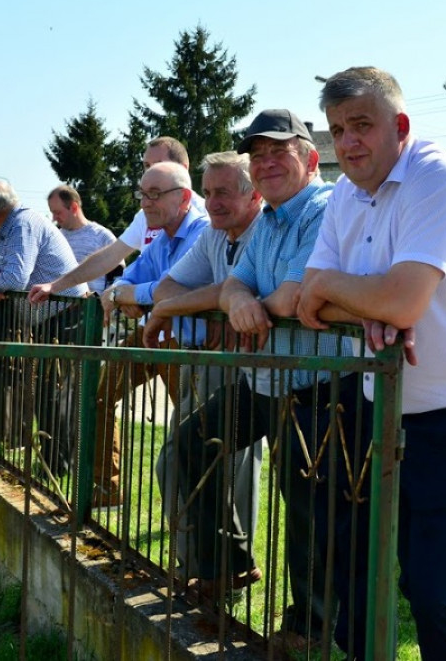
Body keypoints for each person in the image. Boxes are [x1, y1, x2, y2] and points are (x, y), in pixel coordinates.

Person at [298, 67, 446, 661]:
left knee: (436, 592)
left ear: (400, 126)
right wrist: (366, 302)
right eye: (338, 130)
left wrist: (366, 298)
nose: (347, 143)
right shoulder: (346, 191)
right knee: (361, 575)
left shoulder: (434, 178)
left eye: (361, 126)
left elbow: (395, 299)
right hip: (383, 409)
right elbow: (305, 294)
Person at [202, 108, 346, 647]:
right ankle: (221, 565)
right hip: (267, 380)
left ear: (310, 158)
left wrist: (250, 303)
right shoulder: (268, 220)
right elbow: (232, 287)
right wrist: (240, 299)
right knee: (196, 443)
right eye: (257, 155)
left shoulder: (325, 207)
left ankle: (311, 627)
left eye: (277, 152)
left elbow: (295, 295)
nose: (265, 164)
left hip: (317, 384)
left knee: (309, 508)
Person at [139, 151, 264, 585]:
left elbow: (251, 290)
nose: (212, 203)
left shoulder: (264, 229)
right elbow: (170, 285)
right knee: (183, 457)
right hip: (227, 364)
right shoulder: (215, 235)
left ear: (254, 195)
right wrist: (216, 300)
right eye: (209, 193)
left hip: (276, 371)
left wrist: (218, 301)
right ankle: (211, 567)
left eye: (223, 192)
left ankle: (223, 569)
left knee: (232, 468)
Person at [0, 180, 89, 475]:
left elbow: (13, 278)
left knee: (55, 392)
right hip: (52, 316)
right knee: (48, 391)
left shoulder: (22, 224)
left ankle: (58, 467)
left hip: (65, 316)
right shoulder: (13, 226)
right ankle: (54, 463)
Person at [91, 162, 208, 507]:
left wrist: (129, 295)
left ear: (184, 198)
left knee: (190, 431)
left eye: (155, 194)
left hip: (186, 345)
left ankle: (196, 517)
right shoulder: (162, 239)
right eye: (142, 194)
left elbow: (170, 290)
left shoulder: (201, 232)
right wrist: (120, 293)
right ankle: (108, 489)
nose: (145, 203)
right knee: (100, 397)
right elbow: (129, 280)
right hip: (150, 335)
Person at [28, 136, 203, 303]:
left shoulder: (204, 219)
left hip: (184, 327)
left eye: (158, 164)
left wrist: (130, 295)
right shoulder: (148, 217)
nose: (150, 172)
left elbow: (181, 286)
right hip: (153, 322)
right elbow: (112, 257)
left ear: (183, 168)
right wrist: (55, 286)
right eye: (146, 166)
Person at [46, 185, 117, 295]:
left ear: (74, 207)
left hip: (93, 309)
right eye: (52, 212)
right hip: (61, 309)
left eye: (58, 212)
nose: (54, 218)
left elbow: (117, 277)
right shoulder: (54, 238)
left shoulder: (103, 236)